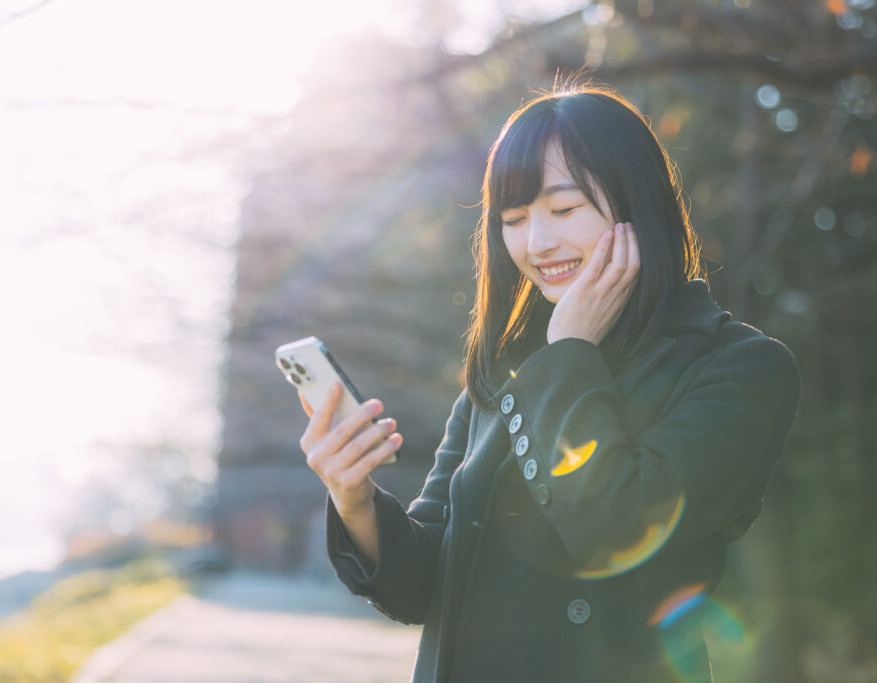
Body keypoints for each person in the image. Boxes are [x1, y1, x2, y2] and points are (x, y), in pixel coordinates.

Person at [297, 81, 800, 683]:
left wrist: (569, 354)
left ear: (638, 204)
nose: (537, 244)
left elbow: (616, 529)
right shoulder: (504, 370)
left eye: (563, 210)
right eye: (514, 219)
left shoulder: (739, 367)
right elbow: (427, 584)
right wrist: (354, 502)